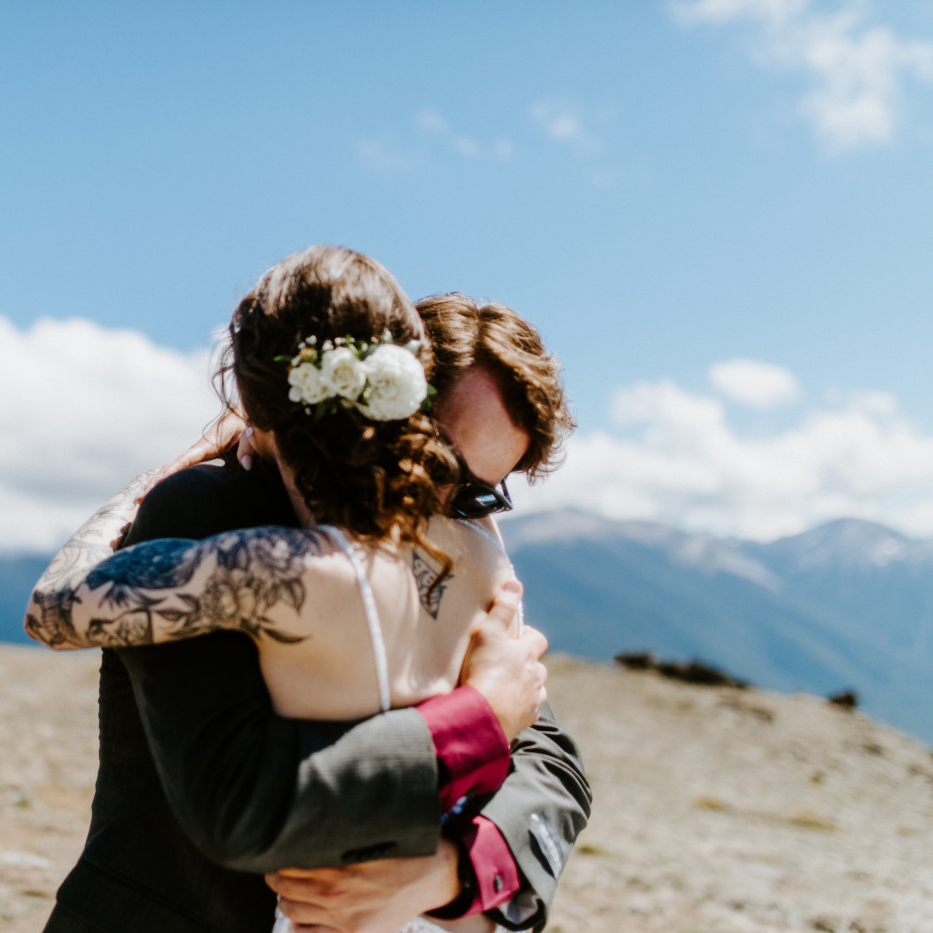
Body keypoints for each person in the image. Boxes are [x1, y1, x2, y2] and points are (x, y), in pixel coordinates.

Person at [29, 250, 589, 932]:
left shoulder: (465, 547)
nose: (439, 501)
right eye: (439, 457)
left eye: (475, 490)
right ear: (389, 400)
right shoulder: (212, 516)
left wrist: (451, 872)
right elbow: (241, 795)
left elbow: (552, 763)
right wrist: (474, 722)